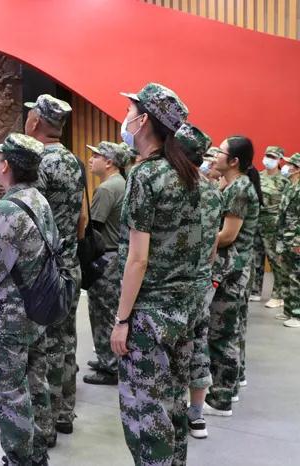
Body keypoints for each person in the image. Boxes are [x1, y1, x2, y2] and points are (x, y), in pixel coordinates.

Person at [110, 83, 202, 466]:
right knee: (173, 409)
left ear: (144, 119)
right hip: (182, 311)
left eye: (130, 111)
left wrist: (122, 320)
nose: (126, 118)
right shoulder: (187, 173)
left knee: (147, 418)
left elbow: (138, 260)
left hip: (148, 318)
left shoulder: (145, 176)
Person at [0, 133, 57, 466]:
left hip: (8, 317)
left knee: (9, 392)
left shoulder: (9, 208)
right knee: (35, 381)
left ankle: (21, 458)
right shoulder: (39, 200)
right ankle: (39, 448)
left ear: (6, 166)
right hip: (36, 307)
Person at [24, 94, 84, 439]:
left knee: (41, 346)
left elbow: (31, 222)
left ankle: (43, 424)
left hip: (44, 271)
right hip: (69, 265)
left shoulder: (38, 162)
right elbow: (81, 219)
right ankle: (64, 412)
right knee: (66, 339)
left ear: (35, 121)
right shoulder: (73, 161)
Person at [204, 136, 261, 417]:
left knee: (221, 333)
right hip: (232, 268)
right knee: (229, 330)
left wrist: (201, 238)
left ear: (234, 161)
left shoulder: (239, 189)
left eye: (221, 152)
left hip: (231, 270)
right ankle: (231, 386)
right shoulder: (231, 185)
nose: (215, 156)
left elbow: (227, 236)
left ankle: (221, 397)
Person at [175, 124, 221, 439]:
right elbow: (213, 244)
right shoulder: (212, 191)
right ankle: (196, 415)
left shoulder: (175, 187)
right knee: (198, 344)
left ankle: (171, 413)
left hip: (173, 284)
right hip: (201, 280)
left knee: (173, 348)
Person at [83, 142, 132, 385]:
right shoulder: (123, 183)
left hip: (106, 256)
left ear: (110, 162)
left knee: (101, 311)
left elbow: (94, 229)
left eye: (96, 156)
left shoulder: (106, 189)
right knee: (110, 310)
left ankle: (110, 366)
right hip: (118, 254)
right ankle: (108, 357)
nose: (91, 160)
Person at [255, 146, 290, 310]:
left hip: (273, 224)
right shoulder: (258, 176)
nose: (269, 159)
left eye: (273, 157)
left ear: (279, 160)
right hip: (256, 221)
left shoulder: (284, 181)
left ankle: (278, 295)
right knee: (255, 258)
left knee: (275, 259)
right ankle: (255, 290)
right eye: (267, 156)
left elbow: (287, 206)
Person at [276, 153, 300, 327]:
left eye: (291, 165)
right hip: (285, 237)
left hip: (296, 238)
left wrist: (298, 241)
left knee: (296, 277)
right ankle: (288, 310)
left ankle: (297, 315)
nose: (287, 167)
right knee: (285, 274)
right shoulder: (290, 186)